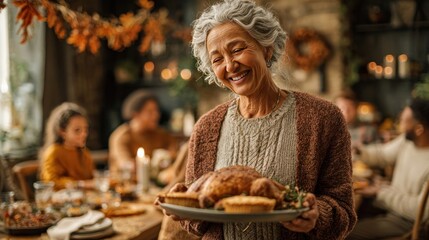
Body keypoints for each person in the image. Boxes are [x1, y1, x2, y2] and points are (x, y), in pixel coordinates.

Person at [165, 0, 357, 239]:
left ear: (266, 48)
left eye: (237, 49)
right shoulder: (206, 127)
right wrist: (184, 210)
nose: (230, 65)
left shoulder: (324, 118)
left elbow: (344, 212)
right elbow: (197, 221)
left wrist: (317, 216)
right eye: (217, 59)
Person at [347, 98, 429, 240]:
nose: (400, 126)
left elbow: (420, 211)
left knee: (344, 233)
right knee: (347, 213)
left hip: (408, 222)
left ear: (419, 129)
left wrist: (381, 192)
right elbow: (383, 154)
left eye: (404, 122)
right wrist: (359, 151)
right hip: (390, 208)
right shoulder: (408, 141)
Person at [109, 91, 178, 178]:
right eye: (150, 112)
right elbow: (125, 164)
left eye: (156, 111)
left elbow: (174, 154)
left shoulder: (162, 134)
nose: (156, 115)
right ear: (135, 114)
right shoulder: (121, 136)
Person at [40, 102, 94, 189]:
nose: (84, 134)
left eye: (85, 129)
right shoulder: (54, 152)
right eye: (77, 130)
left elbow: (91, 178)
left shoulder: (84, 152)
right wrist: (80, 184)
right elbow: (51, 183)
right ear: (62, 132)